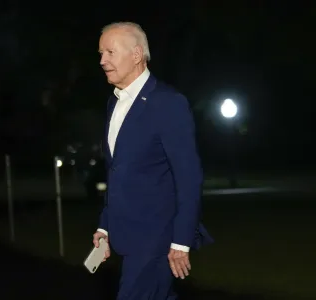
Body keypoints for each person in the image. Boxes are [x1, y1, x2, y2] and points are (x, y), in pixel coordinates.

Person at [93, 21, 213, 300]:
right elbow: (118, 171)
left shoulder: (168, 103)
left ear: (136, 55)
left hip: (157, 241)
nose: (102, 61)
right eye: (100, 53)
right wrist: (105, 225)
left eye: (110, 52)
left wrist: (181, 241)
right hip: (126, 237)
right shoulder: (115, 102)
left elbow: (189, 177)